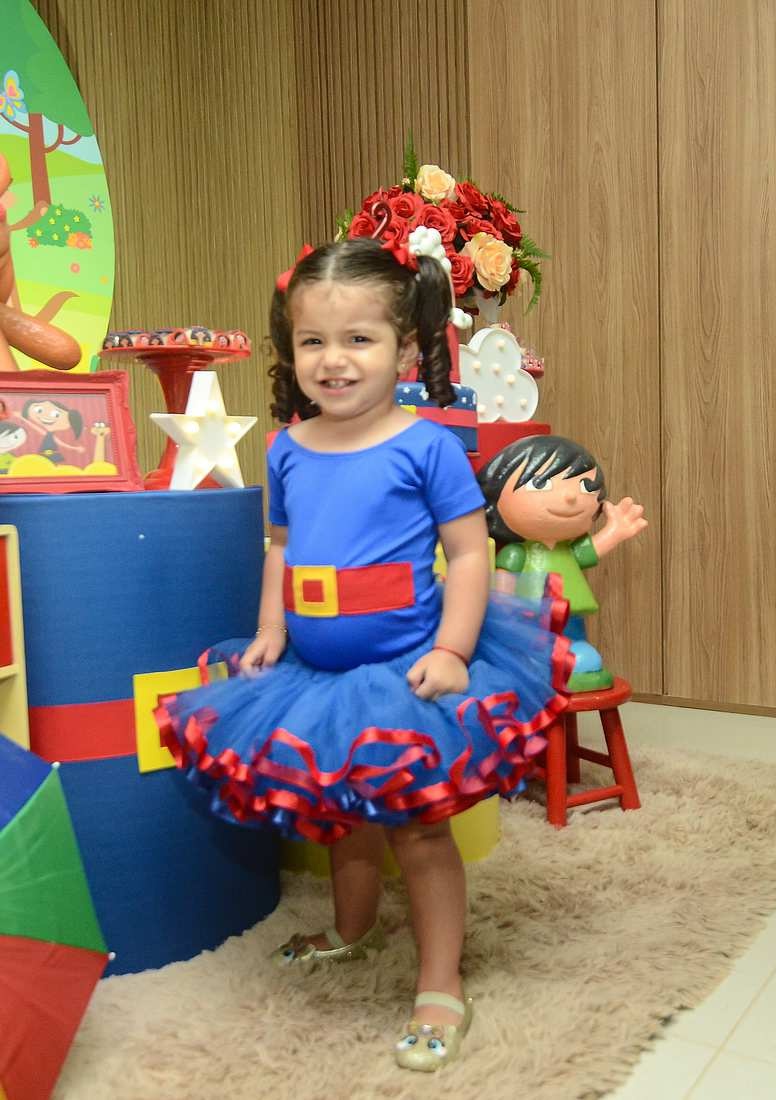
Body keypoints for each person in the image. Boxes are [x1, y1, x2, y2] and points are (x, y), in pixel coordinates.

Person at [158, 234, 572, 1073]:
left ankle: (441, 982)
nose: (333, 359)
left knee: (416, 830)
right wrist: (271, 629)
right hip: (315, 672)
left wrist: (454, 649)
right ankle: (353, 929)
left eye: (358, 338)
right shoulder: (287, 448)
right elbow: (282, 547)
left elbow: (469, 554)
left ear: (404, 347)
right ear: (290, 350)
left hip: (404, 670)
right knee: (340, 816)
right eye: (313, 340)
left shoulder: (426, 446)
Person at [477, 435, 647, 691]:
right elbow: (503, 593)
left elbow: (593, 549)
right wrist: (503, 617)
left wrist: (615, 530)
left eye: (584, 486)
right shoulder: (516, 554)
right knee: (531, 650)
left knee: (582, 653)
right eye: (542, 483)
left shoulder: (570, 550)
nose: (570, 497)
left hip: (571, 621)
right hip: (529, 624)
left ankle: (571, 657)